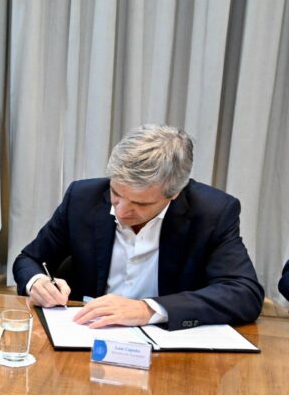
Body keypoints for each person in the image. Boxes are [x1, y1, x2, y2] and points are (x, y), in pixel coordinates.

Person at [13, 124, 264, 329]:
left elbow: (244, 293)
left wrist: (148, 309)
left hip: (168, 348)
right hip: (88, 334)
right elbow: (29, 259)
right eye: (116, 193)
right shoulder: (82, 198)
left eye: (140, 203)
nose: (122, 211)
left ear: (174, 193)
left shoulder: (212, 213)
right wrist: (37, 282)